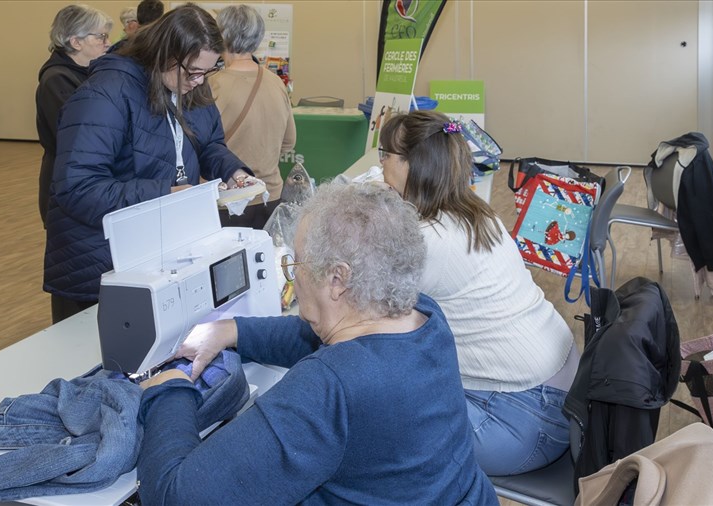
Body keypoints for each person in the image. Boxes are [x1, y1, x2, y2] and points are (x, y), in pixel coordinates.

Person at [136, 182, 498, 505]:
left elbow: (175, 495)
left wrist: (170, 391)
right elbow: (316, 338)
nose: (294, 275)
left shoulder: (329, 385)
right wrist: (231, 330)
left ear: (337, 279)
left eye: (296, 265)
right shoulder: (424, 316)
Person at [378, 109, 579, 476]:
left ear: (413, 165)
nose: (380, 169)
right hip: (561, 393)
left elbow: (364, 311)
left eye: (385, 156)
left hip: (523, 418)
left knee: (374, 430)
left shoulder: (429, 240)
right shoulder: (476, 214)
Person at [43, 3, 253, 324]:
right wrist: (164, 196)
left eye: (207, 71)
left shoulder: (188, 81)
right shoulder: (106, 94)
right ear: (166, 54)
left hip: (155, 255)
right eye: (194, 71)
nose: (199, 81)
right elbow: (77, 188)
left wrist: (234, 172)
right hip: (97, 266)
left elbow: (207, 143)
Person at [209, 4, 296, 229]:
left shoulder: (212, 85)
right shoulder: (277, 83)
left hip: (227, 201)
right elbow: (289, 142)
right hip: (271, 196)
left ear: (222, 37)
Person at [36, 4, 112, 227]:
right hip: (67, 181)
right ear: (75, 41)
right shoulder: (57, 80)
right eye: (100, 37)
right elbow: (79, 136)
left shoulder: (90, 73)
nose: (107, 43)